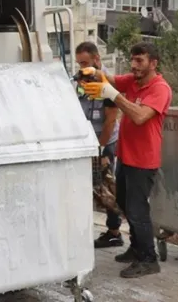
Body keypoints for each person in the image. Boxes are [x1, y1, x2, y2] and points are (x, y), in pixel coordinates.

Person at [79, 41, 172, 279]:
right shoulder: (132, 80)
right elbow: (108, 78)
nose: (134, 65)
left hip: (144, 160)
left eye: (140, 61)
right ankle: (136, 247)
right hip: (127, 156)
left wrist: (113, 95)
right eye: (132, 60)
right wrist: (91, 72)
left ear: (153, 63)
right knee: (123, 202)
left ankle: (148, 259)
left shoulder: (160, 89)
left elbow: (140, 116)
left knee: (138, 210)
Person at [73, 42, 123, 249]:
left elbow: (110, 120)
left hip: (104, 143)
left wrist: (100, 148)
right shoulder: (80, 81)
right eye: (79, 63)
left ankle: (114, 232)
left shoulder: (107, 83)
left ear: (96, 59)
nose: (81, 67)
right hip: (86, 142)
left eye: (85, 62)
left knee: (106, 190)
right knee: (86, 189)